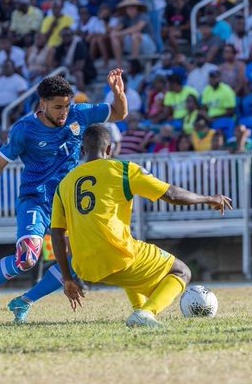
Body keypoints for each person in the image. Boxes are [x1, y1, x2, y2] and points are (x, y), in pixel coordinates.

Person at [0, 71, 127, 324]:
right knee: (27, 258)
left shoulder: (79, 115)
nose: (63, 113)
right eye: (57, 107)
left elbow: (119, 113)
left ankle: (23, 302)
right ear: (42, 104)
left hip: (69, 201)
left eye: (66, 106)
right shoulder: (24, 130)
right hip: (36, 199)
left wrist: (118, 93)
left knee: (79, 260)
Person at [51, 126, 232, 327]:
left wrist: (67, 278)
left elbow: (57, 234)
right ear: (110, 150)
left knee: (134, 249)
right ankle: (146, 313)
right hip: (116, 255)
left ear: (82, 151)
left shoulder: (64, 185)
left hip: (84, 267)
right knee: (181, 272)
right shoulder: (123, 170)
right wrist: (208, 198)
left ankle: (139, 310)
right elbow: (171, 194)